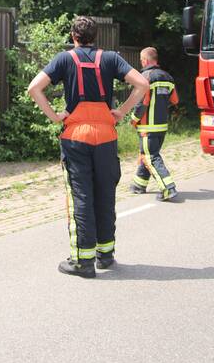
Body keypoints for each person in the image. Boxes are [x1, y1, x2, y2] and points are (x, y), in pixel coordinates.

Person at [27, 16, 148, 279]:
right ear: (96, 36)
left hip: (76, 136)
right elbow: (142, 84)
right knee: (105, 194)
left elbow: (34, 88)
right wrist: (122, 111)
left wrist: (54, 116)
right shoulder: (111, 58)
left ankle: (83, 262)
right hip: (106, 135)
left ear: (73, 36)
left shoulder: (64, 59)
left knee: (81, 197)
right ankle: (106, 255)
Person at [130, 47, 180, 201]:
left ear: (145, 60)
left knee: (150, 156)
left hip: (147, 127)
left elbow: (141, 104)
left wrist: (133, 119)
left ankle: (168, 188)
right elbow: (175, 100)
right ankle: (139, 185)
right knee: (149, 155)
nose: (141, 62)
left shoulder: (144, 77)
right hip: (162, 127)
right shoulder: (168, 77)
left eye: (141, 60)